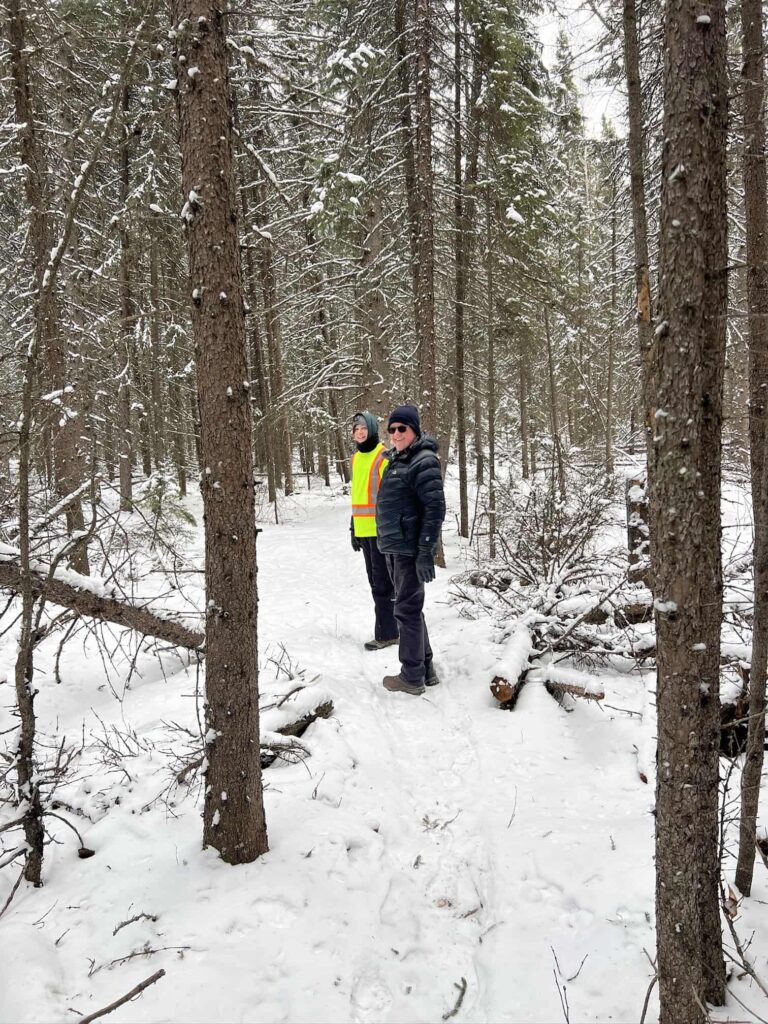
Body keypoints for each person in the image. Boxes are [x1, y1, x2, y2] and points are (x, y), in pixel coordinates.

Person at [375, 404, 446, 696]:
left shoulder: (423, 460)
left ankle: (411, 676)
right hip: (395, 546)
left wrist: (425, 551)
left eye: (401, 428)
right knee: (410, 609)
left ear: (414, 430)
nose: (395, 434)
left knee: (406, 610)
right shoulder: (399, 459)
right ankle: (425, 667)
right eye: (391, 429)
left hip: (408, 549)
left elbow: (435, 508)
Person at [349, 411, 399, 651]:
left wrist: (387, 527)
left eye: (363, 428)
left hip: (380, 531)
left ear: (371, 429)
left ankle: (388, 633)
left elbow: (389, 497)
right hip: (363, 529)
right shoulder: (356, 458)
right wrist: (353, 526)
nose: (359, 432)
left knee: (383, 584)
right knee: (375, 582)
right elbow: (359, 495)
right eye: (356, 429)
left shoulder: (382, 457)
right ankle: (390, 628)